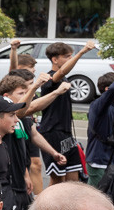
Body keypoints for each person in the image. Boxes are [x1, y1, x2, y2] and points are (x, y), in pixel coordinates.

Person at [37, 41, 95, 184]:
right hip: (52, 132)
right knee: (58, 180)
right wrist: (82, 52)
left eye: (71, 56)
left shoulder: (64, 79)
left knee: (73, 180)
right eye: (66, 56)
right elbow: (61, 72)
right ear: (54, 59)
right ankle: (48, 200)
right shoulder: (50, 78)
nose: (70, 59)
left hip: (67, 133)